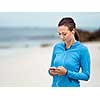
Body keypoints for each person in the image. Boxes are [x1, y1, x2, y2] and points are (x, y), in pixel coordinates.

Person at [48, 17, 90, 87]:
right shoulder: (57, 47)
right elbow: (52, 67)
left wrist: (67, 73)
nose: (61, 37)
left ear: (72, 31)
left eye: (64, 34)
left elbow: (86, 76)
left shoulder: (82, 50)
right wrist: (51, 72)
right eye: (59, 34)